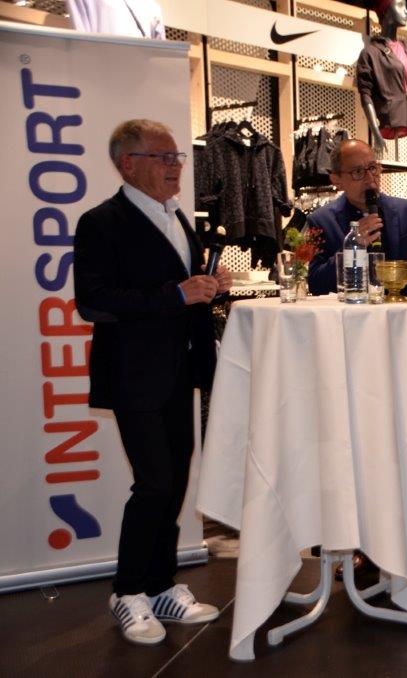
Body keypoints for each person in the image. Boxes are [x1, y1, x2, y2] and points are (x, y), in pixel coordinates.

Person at [73, 119, 230, 645]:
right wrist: (176, 294)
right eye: (163, 157)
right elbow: (94, 301)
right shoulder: (101, 222)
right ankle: (128, 591)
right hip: (133, 374)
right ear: (128, 164)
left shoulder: (176, 216)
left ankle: (161, 585)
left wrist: (210, 287)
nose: (175, 166)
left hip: (179, 370)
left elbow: (180, 288)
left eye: (176, 157)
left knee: (176, 478)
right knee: (155, 482)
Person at [306, 138, 407, 296]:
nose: (370, 179)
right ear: (336, 180)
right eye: (358, 172)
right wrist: (352, 248)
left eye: (373, 168)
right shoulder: (321, 220)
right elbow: (316, 284)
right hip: (351, 311)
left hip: (405, 310)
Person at [356, 0, 407, 151]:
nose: (406, 11)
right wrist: (376, 132)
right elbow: (366, 95)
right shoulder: (371, 53)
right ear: (385, 11)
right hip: (390, 120)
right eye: (400, 5)